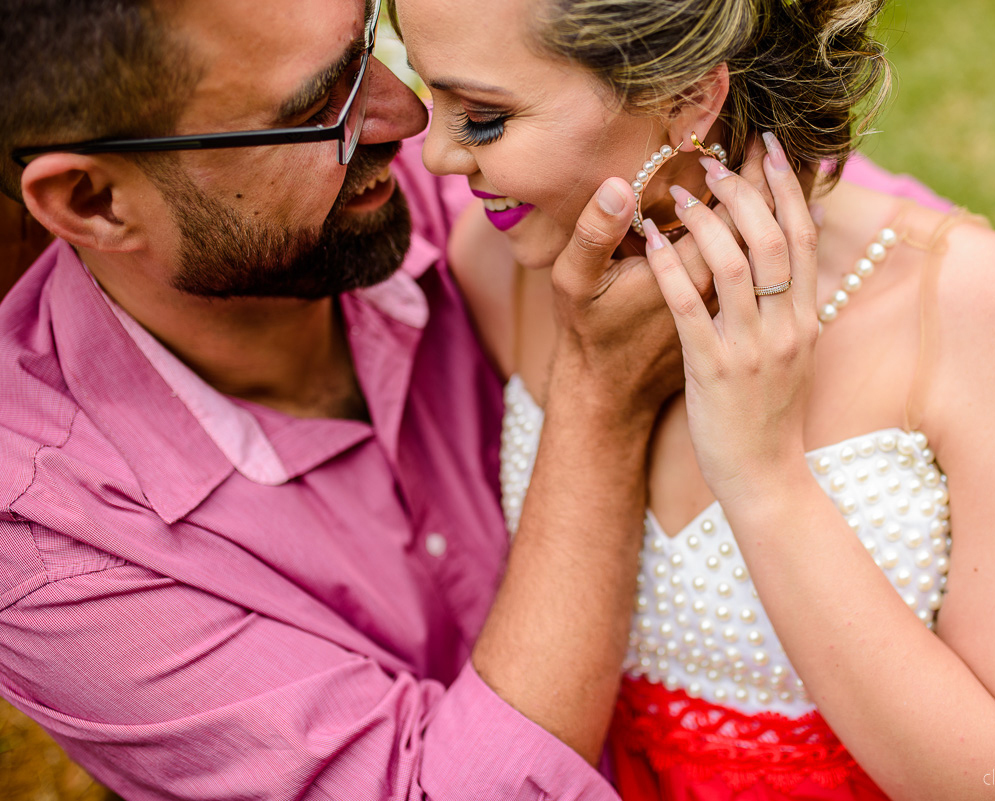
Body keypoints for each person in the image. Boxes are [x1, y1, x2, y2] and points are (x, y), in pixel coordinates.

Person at [393, 0, 995, 797]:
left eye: (485, 120)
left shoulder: (984, 307)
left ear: (689, 101)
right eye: (432, 100)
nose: (434, 160)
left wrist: (762, 477)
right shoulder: (499, 271)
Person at [0, 0, 772, 797]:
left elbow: (815, 217)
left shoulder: (446, 190)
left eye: (370, 46)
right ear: (94, 200)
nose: (405, 121)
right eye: (314, 109)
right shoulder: (50, 547)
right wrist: (598, 401)